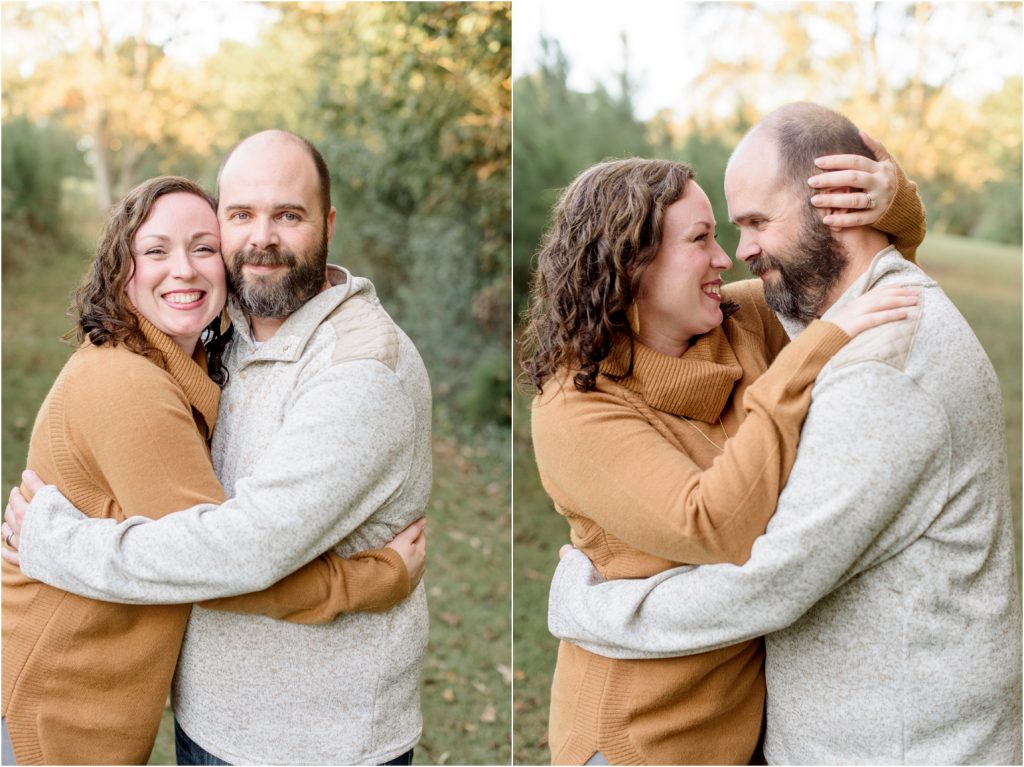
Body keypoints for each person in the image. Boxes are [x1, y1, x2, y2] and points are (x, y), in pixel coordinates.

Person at [546, 103, 1022, 765]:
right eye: (705, 237)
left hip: (762, 733)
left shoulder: (739, 322)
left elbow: (836, 266)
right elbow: (711, 522)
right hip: (644, 735)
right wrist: (816, 347)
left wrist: (895, 203)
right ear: (633, 265)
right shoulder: (576, 405)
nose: (729, 255)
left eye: (746, 225)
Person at [3, 131, 432, 766]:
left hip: (317, 744)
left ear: (328, 224)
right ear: (123, 267)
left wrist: (59, 542)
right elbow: (220, 558)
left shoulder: (354, 367)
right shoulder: (150, 371)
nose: (262, 238)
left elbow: (232, 554)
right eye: (240, 216)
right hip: (77, 704)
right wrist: (373, 579)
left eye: (288, 214)